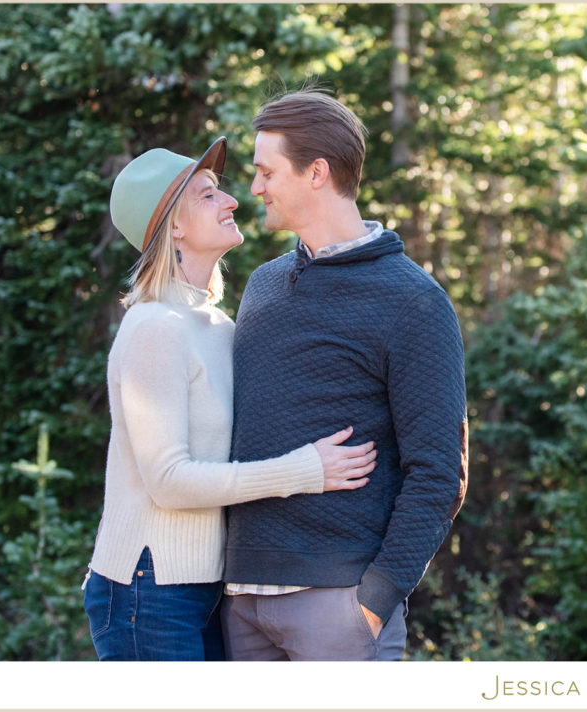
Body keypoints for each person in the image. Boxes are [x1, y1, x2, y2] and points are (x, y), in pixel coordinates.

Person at [82, 137, 377, 661]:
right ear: (172, 226)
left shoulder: (217, 324)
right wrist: (303, 471)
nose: (232, 201)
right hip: (145, 589)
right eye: (207, 195)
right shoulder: (154, 327)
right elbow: (169, 481)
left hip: (206, 585)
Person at [221, 89, 469, 661]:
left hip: (338, 608)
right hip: (241, 603)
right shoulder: (262, 285)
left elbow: (439, 472)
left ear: (316, 172)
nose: (253, 188)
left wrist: (375, 599)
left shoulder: (413, 301)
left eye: (265, 171)